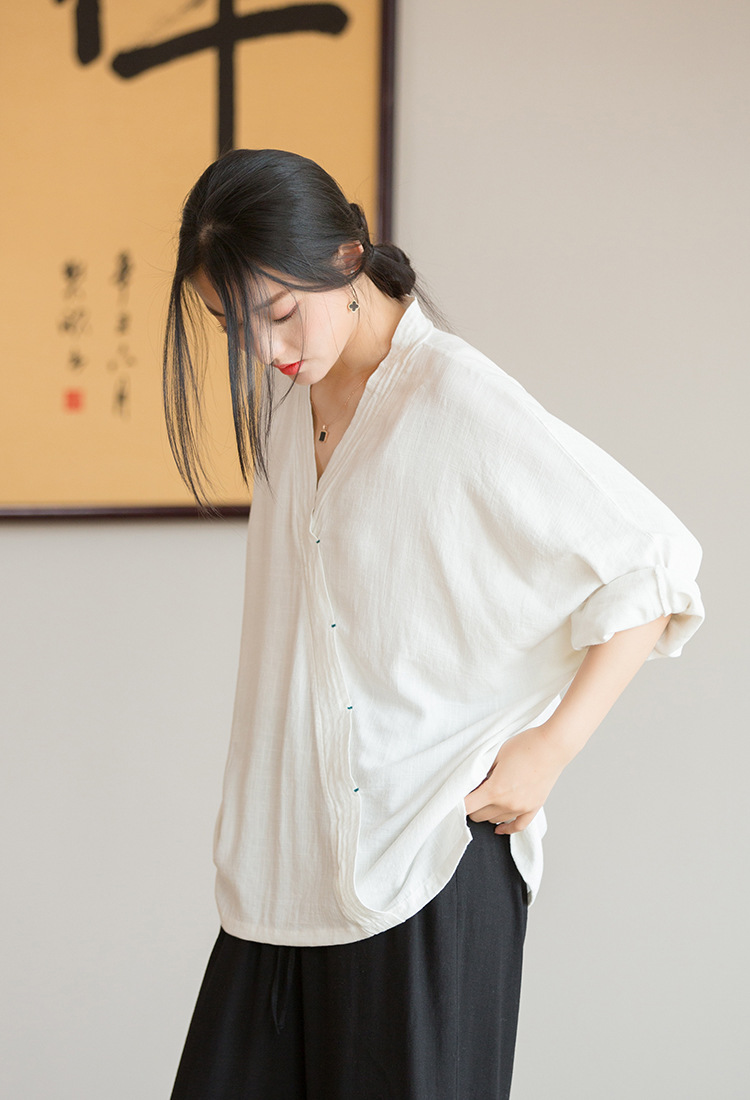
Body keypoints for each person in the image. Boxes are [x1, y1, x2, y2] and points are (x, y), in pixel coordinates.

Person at [163, 148, 704, 1099]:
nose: (263, 348)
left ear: (347, 257)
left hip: (429, 863)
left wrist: (549, 750)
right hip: (289, 872)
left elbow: (651, 563)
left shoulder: (451, 395)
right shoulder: (296, 412)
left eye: (278, 311)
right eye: (233, 323)